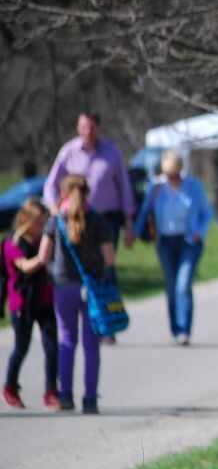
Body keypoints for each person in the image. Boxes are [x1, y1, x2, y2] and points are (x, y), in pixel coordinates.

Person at [44, 112, 135, 344]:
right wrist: (56, 212)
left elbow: (124, 187)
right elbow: (51, 185)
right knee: (77, 269)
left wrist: (129, 221)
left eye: (92, 127)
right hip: (74, 221)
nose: (87, 131)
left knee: (105, 267)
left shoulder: (111, 153)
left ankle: (106, 318)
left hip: (105, 220)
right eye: (83, 127)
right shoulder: (69, 152)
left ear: (99, 127)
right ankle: (86, 316)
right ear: (78, 128)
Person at [27, 176, 115, 414]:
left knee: (66, 340)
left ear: (63, 194)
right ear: (87, 193)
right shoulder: (97, 220)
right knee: (91, 345)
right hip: (93, 288)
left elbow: (44, 257)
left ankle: (65, 394)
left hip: (63, 286)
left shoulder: (56, 221)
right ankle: (90, 399)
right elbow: (109, 258)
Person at [135, 151, 212, 346]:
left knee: (183, 284)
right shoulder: (156, 187)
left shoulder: (193, 187)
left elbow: (206, 214)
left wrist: (199, 232)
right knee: (171, 286)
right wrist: (135, 232)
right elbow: (146, 212)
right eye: (169, 173)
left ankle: (184, 330)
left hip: (188, 241)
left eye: (175, 173)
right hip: (165, 242)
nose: (172, 177)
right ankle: (175, 328)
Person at [2, 199, 59, 410]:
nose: (42, 227)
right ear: (26, 221)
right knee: (21, 347)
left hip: (44, 299)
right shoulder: (12, 243)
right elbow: (25, 266)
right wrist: (42, 258)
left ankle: (51, 390)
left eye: (44, 223)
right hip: (22, 304)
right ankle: (10, 386)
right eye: (39, 223)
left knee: (51, 345)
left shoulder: (42, 240)